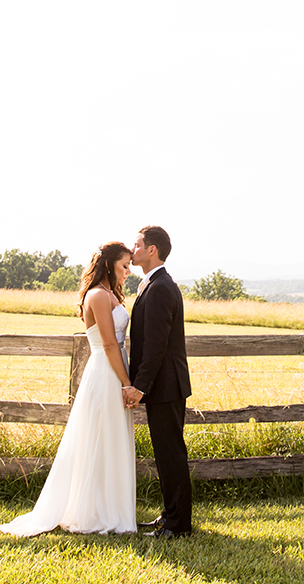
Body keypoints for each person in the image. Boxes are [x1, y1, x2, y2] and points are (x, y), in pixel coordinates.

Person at [0, 241, 139, 536]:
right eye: (124, 265)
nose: (128, 271)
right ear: (109, 264)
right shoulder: (98, 295)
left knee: (111, 437)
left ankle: (108, 504)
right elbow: (110, 344)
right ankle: (93, 510)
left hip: (115, 368)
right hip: (105, 372)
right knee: (99, 435)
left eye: (129, 266)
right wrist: (127, 383)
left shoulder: (111, 294)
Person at [124, 225, 192, 537]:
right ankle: (169, 517)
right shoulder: (153, 284)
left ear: (152, 250)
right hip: (164, 386)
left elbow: (156, 344)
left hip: (166, 386)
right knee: (166, 455)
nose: (132, 249)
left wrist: (140, 386)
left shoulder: (162, 287)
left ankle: (178, 527)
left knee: (171, 456)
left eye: (137, 245)